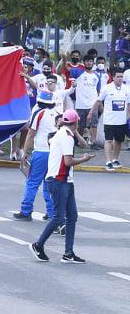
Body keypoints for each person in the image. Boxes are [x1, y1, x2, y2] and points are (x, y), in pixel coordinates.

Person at [30, 109, 94, 264]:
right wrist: (84, 159)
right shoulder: (66, 137)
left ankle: (68, 253)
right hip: (59, 181)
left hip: (65, 180)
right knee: (59, 217)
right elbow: (68, 161)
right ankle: (38, 245)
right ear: (77, 122)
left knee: (72, 216)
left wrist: (75, 132)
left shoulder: (63, 133)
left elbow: (85, 145)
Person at [14, 91, 58, 221]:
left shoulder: (39, 113)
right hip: (54, 152)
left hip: (41, 152)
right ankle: (51, 213)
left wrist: (24, 152)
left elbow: (30, 134)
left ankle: (26, 210)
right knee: (48, 184)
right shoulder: (57, 113)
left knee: (32, 182)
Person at [88, 69, 130, 171]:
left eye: (121, 77)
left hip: (121, 120)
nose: (120, 79)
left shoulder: (127, 89)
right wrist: (91, 113)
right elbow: (98, 101)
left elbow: (128, 104)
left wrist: (128, 116)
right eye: (118, 77)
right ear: (113, 77)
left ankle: (115, 159)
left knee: (119, 141)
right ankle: (108, 161)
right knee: (108, 140)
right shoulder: (107, 88)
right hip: (109, 120)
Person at [70, 56, 100, 145]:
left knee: (94, 124)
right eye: (87, 61)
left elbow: (98, 91)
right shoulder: (77, 72)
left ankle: (93, 142)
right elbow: (67, 70)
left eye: (91, 61)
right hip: (81, 104)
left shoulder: (97, 76)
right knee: (81, 125)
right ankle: (78, 141)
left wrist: (99, 104)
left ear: (93, 63)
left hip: (93, 105)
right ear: (84, 62)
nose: (89, 63)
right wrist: (64, 59)